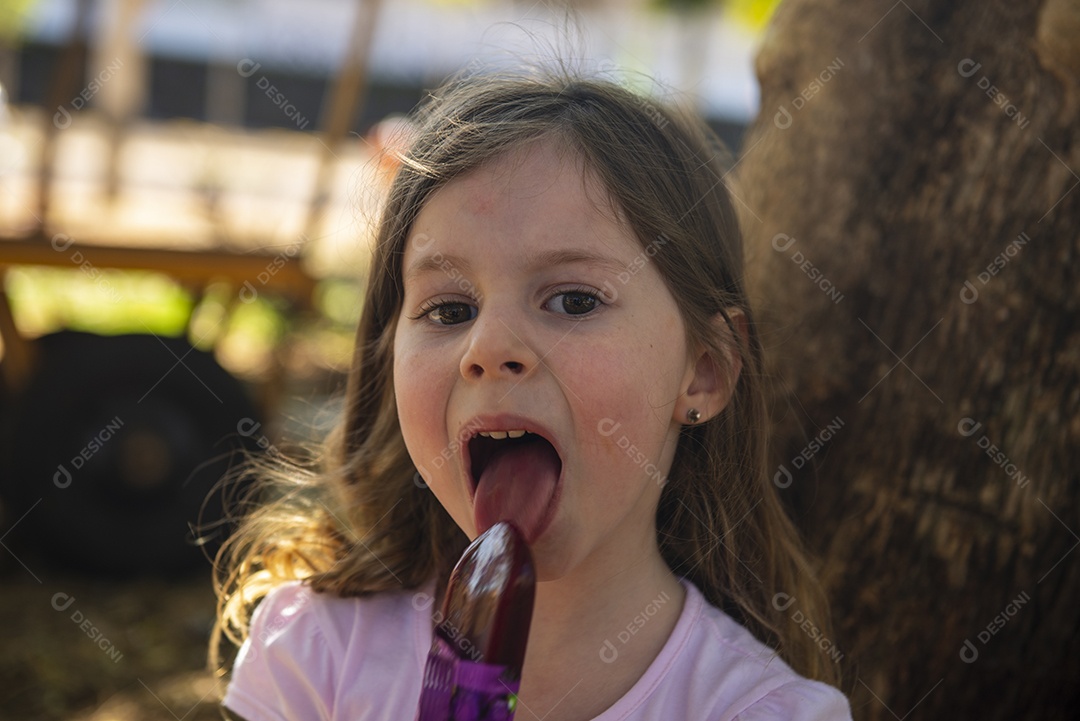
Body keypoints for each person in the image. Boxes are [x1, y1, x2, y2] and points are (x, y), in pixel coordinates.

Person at [211, 66, 853, 721]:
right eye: (450, 309)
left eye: (573, 300)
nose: (490, 348)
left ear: (705, 370)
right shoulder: (316, 655)